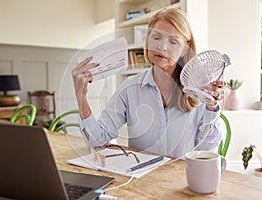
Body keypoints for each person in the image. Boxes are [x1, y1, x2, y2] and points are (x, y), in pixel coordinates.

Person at [71, 8, 226, 159]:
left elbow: (206, 150)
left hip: (183, 179)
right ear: (147, 40)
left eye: (173, 41)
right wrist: (81, 96)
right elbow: (97, 140)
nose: (162, 46)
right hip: (143, 181)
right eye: (156, 37)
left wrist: (212, 107)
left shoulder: (198, 90)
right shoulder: (129, 88)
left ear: (186, 49)